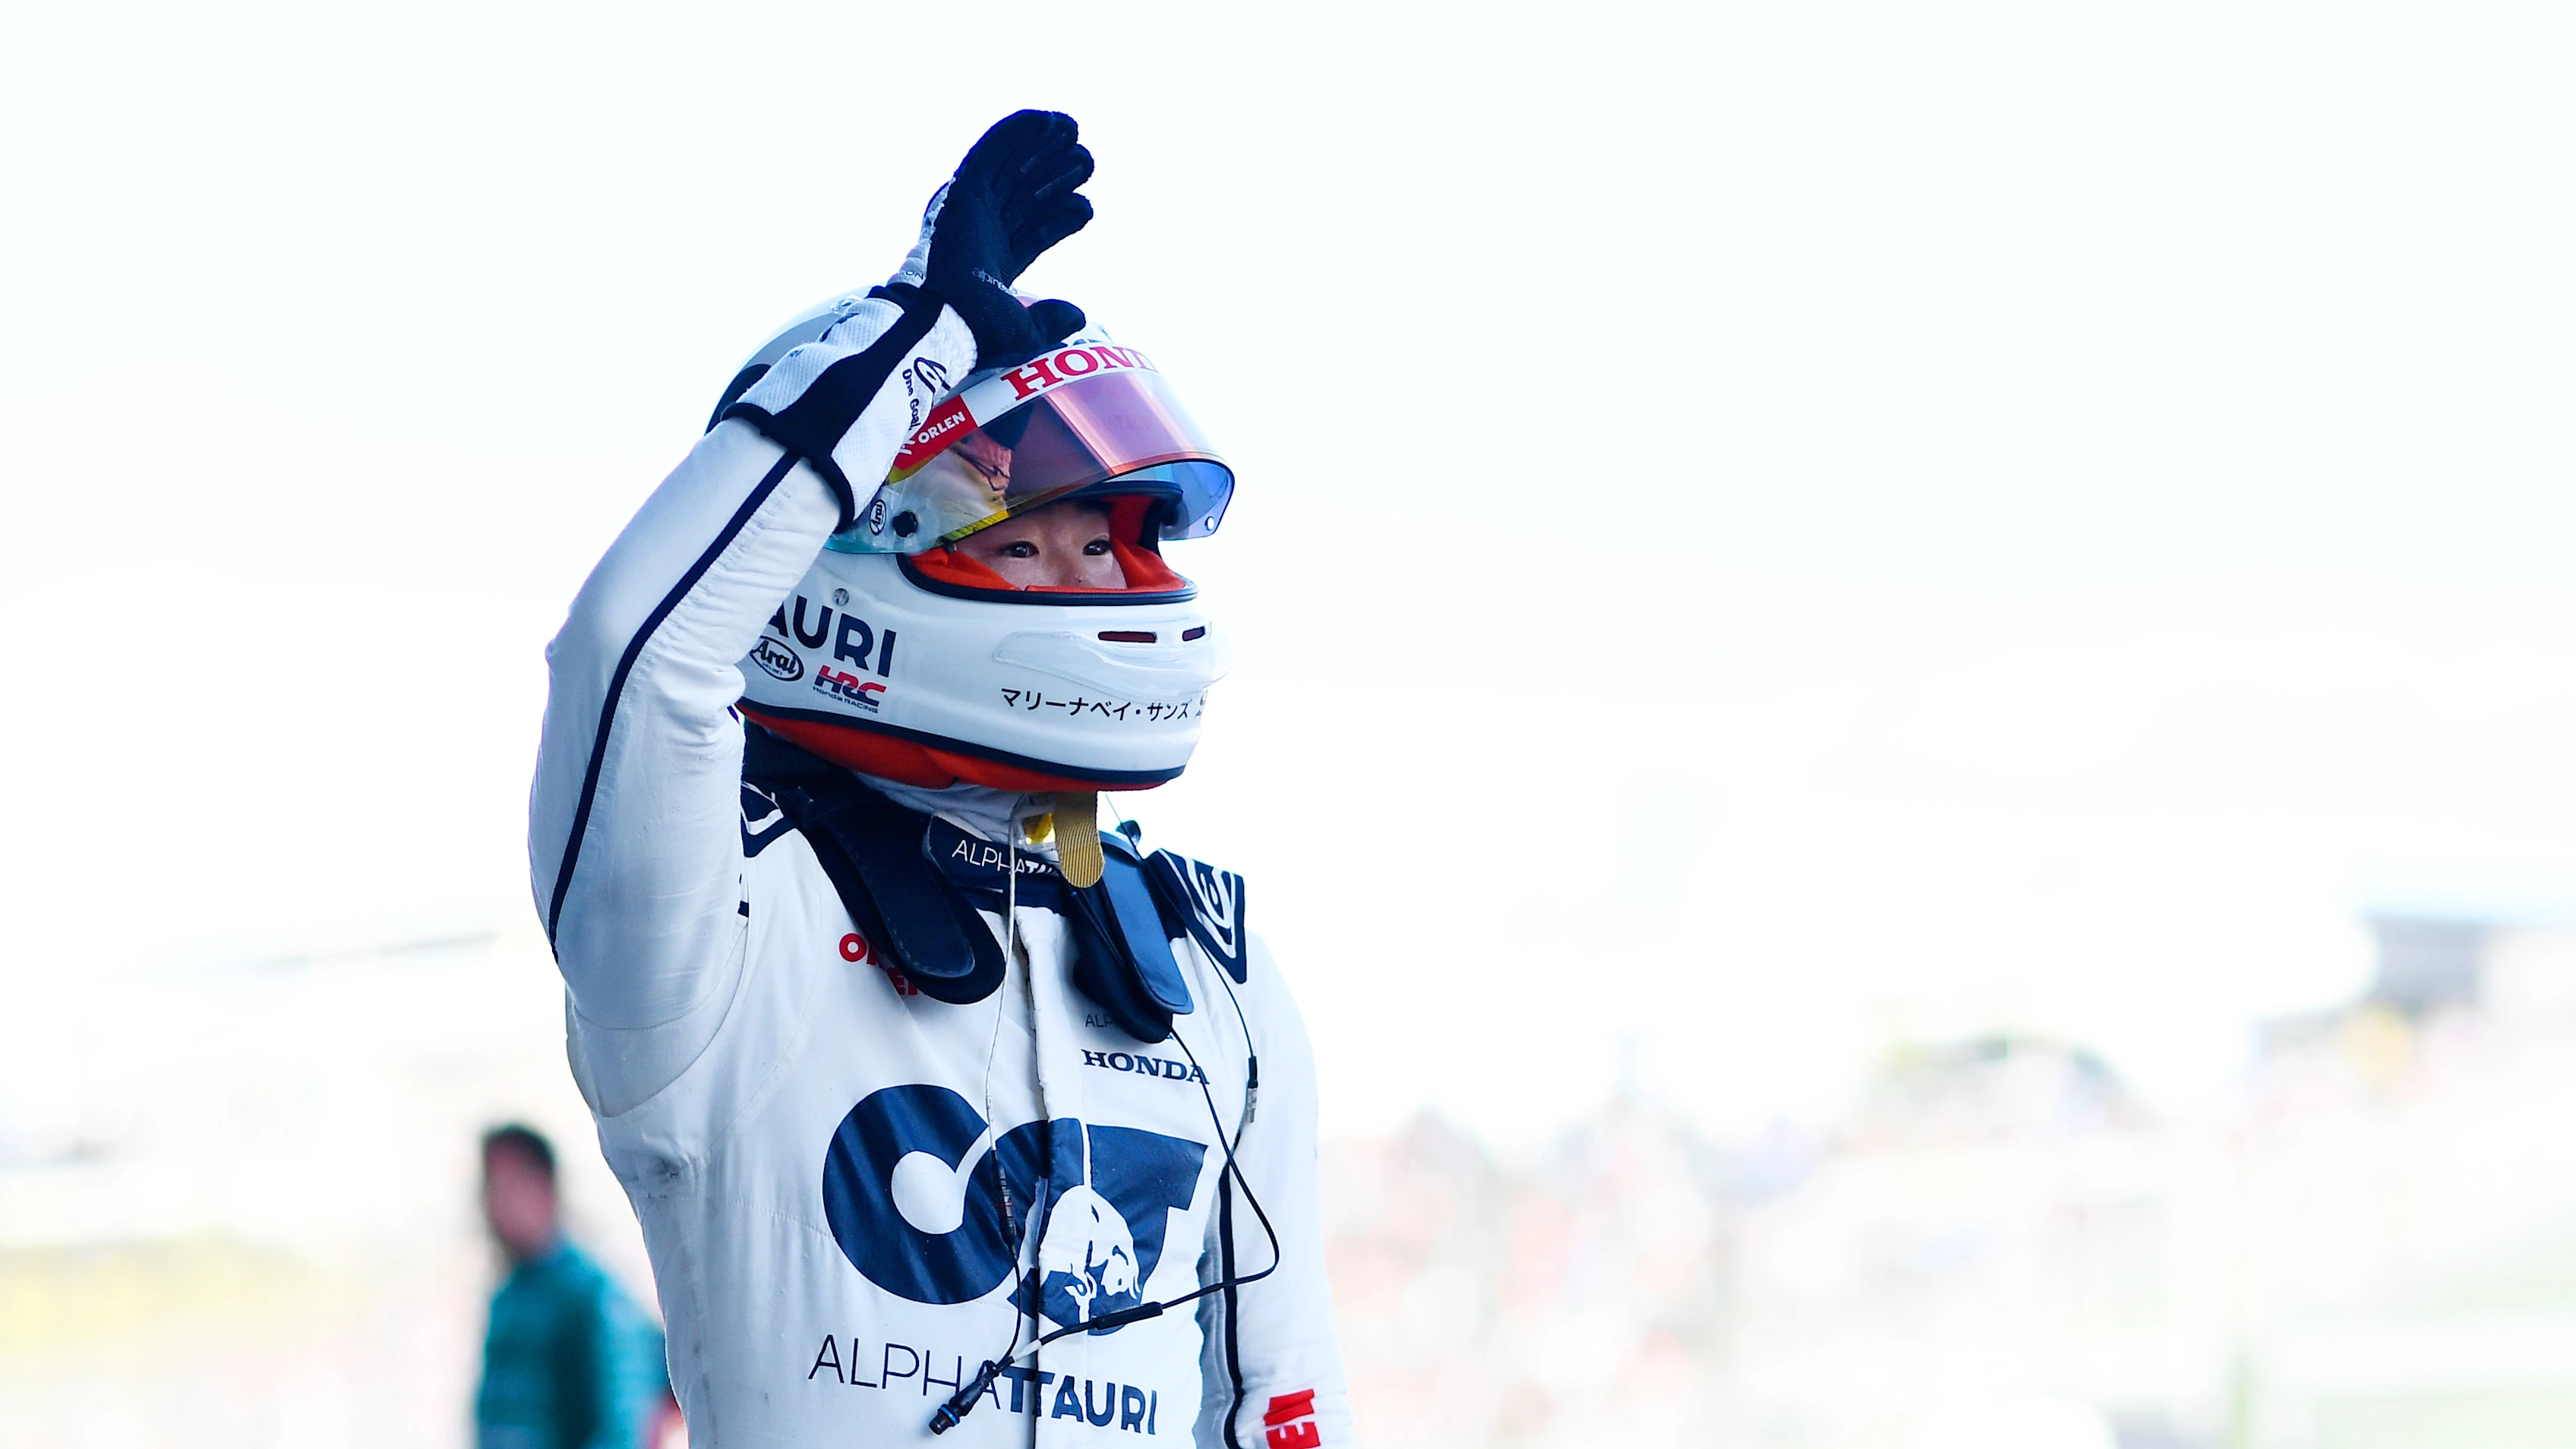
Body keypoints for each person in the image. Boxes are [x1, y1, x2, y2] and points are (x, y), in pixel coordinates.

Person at [528, 111, 1350, 1447]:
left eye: (1113, 546)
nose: (1098, 587)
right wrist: (914, 337)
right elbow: (633, 648)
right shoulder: (713, 924)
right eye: (1030, 550)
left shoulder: (1215, 969)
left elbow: (1283, 1403)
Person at [475, 1124, 677, 1449]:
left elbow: (622, 1427)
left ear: (544, 1187)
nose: (493, 1203)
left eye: (507, 1185)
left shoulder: (593, 1297)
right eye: (490, 1187)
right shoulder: (507, 1301)